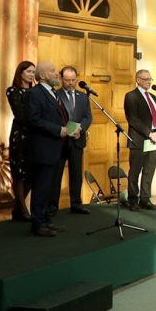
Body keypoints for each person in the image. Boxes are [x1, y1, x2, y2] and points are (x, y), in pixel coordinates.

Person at [22, 62, 69, 237]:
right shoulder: (34, 94)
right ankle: (38, 223)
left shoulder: (53, 93)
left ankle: (46, 219)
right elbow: (34, 119)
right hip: (42, 147)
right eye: (52, 71)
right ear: (42, 76)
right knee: (41, 186)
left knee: (50, 186)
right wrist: (58, 130)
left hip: (56, 147)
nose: (56, 74)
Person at [124, 69, 156, 211]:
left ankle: (145, 198)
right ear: (138, 80)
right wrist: (149, 133)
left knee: (149, 170)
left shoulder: (153, 98)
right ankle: (133, 200)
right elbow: (133, 119)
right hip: (139, 140)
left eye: (150, 79)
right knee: (135, 171)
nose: (149, 82)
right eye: (146, 79)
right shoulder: (131, 96)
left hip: (154, 140)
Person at [56, 66, 92, 214]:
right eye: (67, 80)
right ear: (61, 79)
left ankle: (76, 204)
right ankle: (52, 206)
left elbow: (88, 116)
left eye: (73, 80)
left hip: (77, 140)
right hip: (60, 141)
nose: (70, 83)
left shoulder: (83, 96)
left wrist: (80, 129)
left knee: (76, 175)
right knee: (56, 175)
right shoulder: (56, 95)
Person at [4, 60, 36, 221]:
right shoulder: (13, 91)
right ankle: (22, 209)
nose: (31, 75)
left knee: (31, 172)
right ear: (20, 73)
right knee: (19, 171)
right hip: (20, 134)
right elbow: (20, 114)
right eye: (28, 71)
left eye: (33, 72)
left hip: (35, 135)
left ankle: (18, 208)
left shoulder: (36, 91)